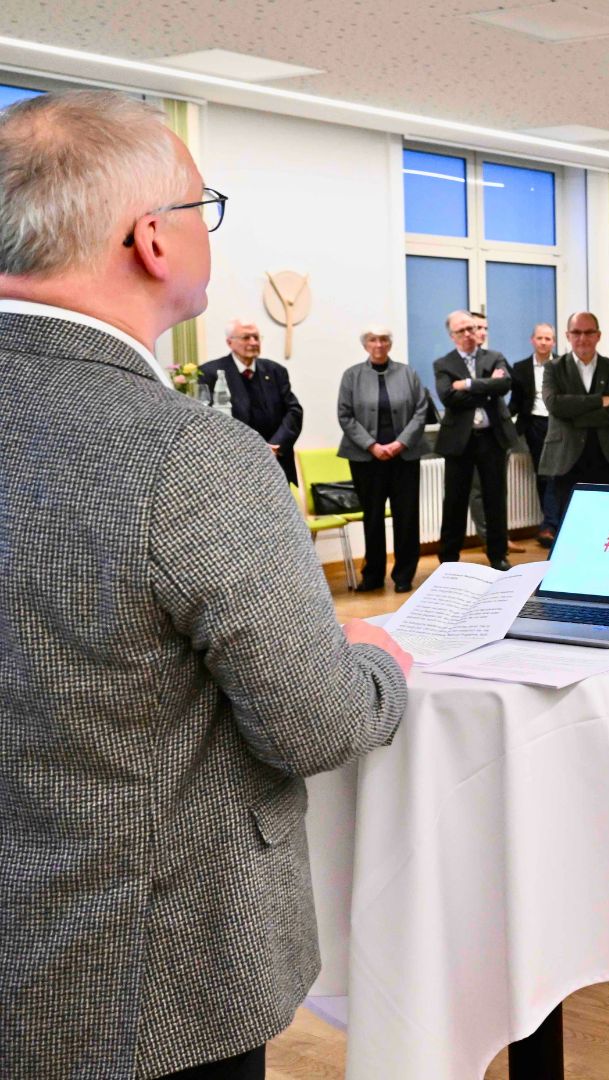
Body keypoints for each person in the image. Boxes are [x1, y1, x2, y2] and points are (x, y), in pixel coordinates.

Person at [0, 88, 414, 1080]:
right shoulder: (189, 456)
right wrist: (376, 666)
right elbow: (314, 726)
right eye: (202, 207)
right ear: (152, 240)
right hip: (147, 981)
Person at [337, 325, 432, 592]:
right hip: (366, 459)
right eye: (372, 340)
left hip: (405, 456)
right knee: (373, 517)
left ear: (390, 344)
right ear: (365, 344)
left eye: (383, 340)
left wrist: (400, 443)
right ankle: (373, 575)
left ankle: (404, 576)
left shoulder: (408, 373)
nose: (378, 345)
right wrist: (372, 445)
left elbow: (421, 411)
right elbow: (345, 415)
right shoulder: (352, 375)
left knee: (406, 517)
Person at [434, 309, 513, 570]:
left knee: (495, 498)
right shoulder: (443, 363)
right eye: (462, 330)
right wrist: (487, 387)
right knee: (455, 500)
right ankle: (448, 559)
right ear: (452, 335)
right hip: (460, 441)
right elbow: (448, 397)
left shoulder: (494, 357)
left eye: (472, 328)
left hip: (492, 438)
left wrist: (467, 384)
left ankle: (498, 555)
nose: (469, 334)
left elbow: (504, 385)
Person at [541, 311, 609, 519]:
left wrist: (576, 415)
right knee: (570, 523)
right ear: (567, 335)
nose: (582, 338)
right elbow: (554, 405)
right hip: (567, 458)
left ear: (598, 335)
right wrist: (599, 401)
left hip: (608, 459)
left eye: (589, 332)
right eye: (576, 332)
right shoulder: (553, 368)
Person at [200, 318, 302, 483]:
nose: (253, 342)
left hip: (276, 461)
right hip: (235, 465)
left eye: (256, 337)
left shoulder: (275, 371)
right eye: (246, 337)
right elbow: (209, 420)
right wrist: (253, 449)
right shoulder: (210, 373)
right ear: (229, 342)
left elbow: (294, 411)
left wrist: (275, 445)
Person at [510, 323, 560, 546]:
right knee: (543, 474)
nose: (543, 342)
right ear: (532, 340)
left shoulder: (563, 365)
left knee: (556, 473)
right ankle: (549, 524)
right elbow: (515, 403)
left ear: (554, 342)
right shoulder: (520, 367)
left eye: (548, 338)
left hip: (558, 424)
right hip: (534, 425)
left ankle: (551, 524)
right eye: (540, 338)